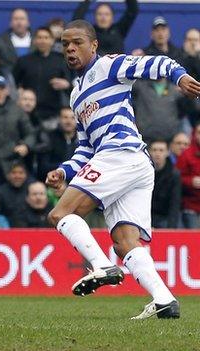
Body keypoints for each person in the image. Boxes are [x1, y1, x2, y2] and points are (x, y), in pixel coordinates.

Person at [46, 20, 200, 319]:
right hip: (132, 163)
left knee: (60, 214)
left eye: (77, 42)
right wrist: (64, 171)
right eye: (65, 44)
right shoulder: (76, 96)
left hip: (120, 154)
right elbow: (85, 149)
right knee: (124, 241)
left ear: (94, 45)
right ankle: (164, 300)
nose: (70, 49)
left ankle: (101, 266)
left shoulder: (109, 66)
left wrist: (179, 77)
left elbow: (156, 63)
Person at [14, 27, 71, 123]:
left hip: (53, 114)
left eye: (46, 37)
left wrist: (67, 85)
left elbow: (72, 85)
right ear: (34, 40)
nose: (43, 41)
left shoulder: (61, 61)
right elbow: (13, 83)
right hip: (27, 114)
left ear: (52, 40)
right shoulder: (23, 61)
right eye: (39, 37)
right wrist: (18, 91)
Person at [72, 0, 138, 55]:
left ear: (112, 17)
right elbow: (76, 21)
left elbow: (133, 10)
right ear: (95, 17)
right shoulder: (90, 33)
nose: (103, 18)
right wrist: (87, 1)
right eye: (99, 14)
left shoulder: (120, 29)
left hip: (116, 69)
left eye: (107, 14)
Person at [132, 77, 185, 144]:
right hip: (145, 135)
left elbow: (186, 109)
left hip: (169, 136)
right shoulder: (139, 86)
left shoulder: (175, 89)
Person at [37, 106, 78, 180]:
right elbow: (43, 167)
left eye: (72, 118)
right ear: (59, 119)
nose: (69, 121)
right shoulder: (49, 138)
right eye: (65, 117)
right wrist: (65, 168)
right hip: (52, 181)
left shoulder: (82, 141)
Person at [149, 140, 181, 228]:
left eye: (161, 150)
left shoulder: (174, 174)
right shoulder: (144, 173)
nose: (157, 153)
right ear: (150, 152)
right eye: (154, 150)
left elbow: (175, 203)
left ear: (167, 153)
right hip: (147, 216)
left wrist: (171, 228)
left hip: (165, 216)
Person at [177, 123, 200, 229]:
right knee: (194, 240)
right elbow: (177, 179)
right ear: (194, 134)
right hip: (191, 206)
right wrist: (191, 181)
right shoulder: (186, 154)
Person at [0, 162, 32, 227]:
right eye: (14, 173)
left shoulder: (32, 189)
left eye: (21, 173)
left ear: (26, 175)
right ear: (8, 175)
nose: (17, 176)